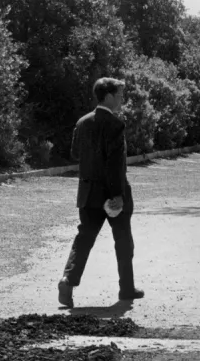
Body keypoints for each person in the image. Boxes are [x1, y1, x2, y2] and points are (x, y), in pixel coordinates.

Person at [57, 77, 141, 308]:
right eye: (120, 95)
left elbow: (75, 154)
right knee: (123, 240)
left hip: (88, 192)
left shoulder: (82, 122)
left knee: (83, 239)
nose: (122, 99)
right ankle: (126, 289)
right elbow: (115, 164)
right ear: (110, 96)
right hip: (113, 193)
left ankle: (68, 280)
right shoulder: (115, 125)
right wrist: (117, 195)